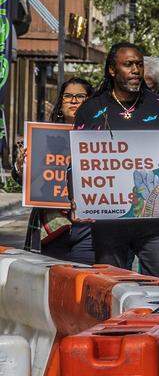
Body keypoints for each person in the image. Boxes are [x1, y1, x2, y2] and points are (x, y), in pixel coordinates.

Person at [74, 43, 159, 278]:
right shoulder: (91, 109)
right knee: (111, 287)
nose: (135, 70)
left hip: (153, 220)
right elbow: (77, 159)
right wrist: (75, 197)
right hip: (109, 217)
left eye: (139, 64)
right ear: (112, 69)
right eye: (128, 64)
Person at [28, 78, 94, 263]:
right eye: (68, 96)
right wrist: (21, 165)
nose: (73, 100)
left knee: (84, 281)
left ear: (90, 101)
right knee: (55, 284)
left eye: (80, 96)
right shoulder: (42, 137)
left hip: (88, 228)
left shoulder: (101, 138)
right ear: (61, 101)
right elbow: (28, 181)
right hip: (53, 228)